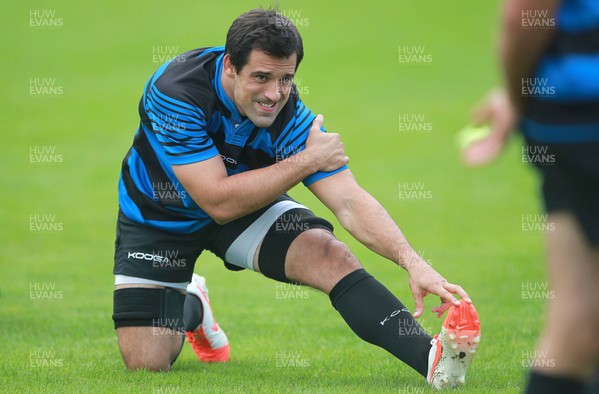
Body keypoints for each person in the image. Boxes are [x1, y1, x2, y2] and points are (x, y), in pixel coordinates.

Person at [113, 8, 480, 389]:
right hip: (159, 217)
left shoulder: (289, 114)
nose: (274, 94)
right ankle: (193, 304)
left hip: (246, 205)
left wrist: (413, 262)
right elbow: (217, 201)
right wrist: (309, 159)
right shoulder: (178, 92)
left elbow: (349, 201)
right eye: (261, 77)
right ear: (229, 67)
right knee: (147, 362)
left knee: (327, 253)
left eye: (285, 78)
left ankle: (433, 361)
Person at [462, 0, 599, 393]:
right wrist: (518, 96)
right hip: (585, 123)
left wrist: (515, 96)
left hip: (577, 122)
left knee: (581, 323)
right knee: (579, 323)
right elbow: (526, 12)